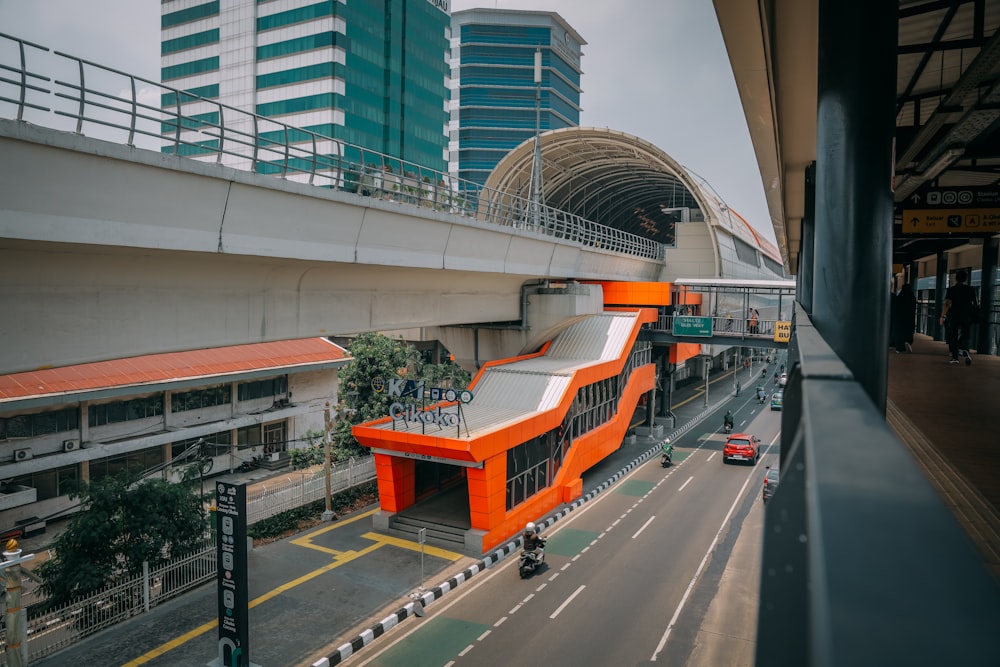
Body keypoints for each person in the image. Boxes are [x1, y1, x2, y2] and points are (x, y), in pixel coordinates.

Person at [939, 269, 977, 365]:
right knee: (966, 334)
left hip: (954, 316)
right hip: (967, 316)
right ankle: (965, 350)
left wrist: (942, 316)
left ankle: (955, 357)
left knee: (953, 336)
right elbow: (975, 303)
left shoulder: (952, 290)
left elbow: (947, 304)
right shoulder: (971, 289)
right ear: (965, 279)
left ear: (956, 279)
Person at [892, 283, 917, 353]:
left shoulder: (900, 297)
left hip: (899, 318)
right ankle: (908, 341)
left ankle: (899, 348)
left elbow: (896, 307)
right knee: (908, 331)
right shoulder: (912, 297)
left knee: (899, 332)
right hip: (909, 318)